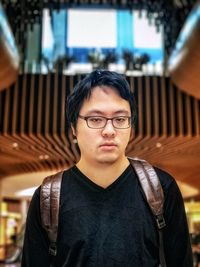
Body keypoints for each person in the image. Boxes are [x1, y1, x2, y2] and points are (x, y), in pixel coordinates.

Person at [21, 70, 193, 267]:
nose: (109, 131)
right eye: (95, 119)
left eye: (120, 119)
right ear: (73, 128)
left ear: (131, 125)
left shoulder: (161, 189)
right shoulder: (47, 198)